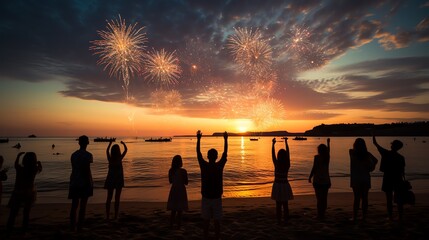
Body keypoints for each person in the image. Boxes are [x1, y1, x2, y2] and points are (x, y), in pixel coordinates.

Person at [196, 130, 228, 240]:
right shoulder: (219, 166)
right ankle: (217, 237)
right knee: (217, 221)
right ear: (216, 156)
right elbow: (225, 154)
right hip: (216, 198)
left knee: (206, 221)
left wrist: (198, 139)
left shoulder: (204, 166)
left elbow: (198, 154)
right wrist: (226, 140)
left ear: (208, 156)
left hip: (207, 197)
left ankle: (206, 236)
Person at [7, 152, 42, 232]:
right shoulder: (34, 169)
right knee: (26, 213)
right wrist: (39, 163)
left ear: (24, 160)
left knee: (13, 213)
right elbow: (40, 168)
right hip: (29, 193)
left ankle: (9, 230)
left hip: (18, 192)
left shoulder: (20, 169)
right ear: (34, 160)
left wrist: (18, 156)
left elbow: (15, 164)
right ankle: (24, 230)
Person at [373, 135, 405, 220]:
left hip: (388, 178)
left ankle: (390, 216)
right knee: (399, 199)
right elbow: (402, 171)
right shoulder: (401, 157)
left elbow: (375, 144)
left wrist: (373, 134)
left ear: (392, 146)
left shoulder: (386, 153)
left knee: (389, 199)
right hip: (398, 179)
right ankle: (400, 216)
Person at [349, 138, 378, 222]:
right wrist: (371, 167)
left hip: (356, 179)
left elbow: (352, 151)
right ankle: (364, 217)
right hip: (365, 178)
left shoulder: (352, 152)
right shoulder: (367, 154)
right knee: (365, 198)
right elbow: (376, 160)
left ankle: (354, 217)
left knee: (357, 198)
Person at [69, 135, 93, 231]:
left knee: (74, 205)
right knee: (83, 206)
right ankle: (80, 227)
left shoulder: (73, 155)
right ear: (87, 143)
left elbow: (74, 169)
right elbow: (87, 170)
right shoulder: (88, 155)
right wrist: (89, 182)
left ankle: (72, 226)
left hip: (74, 181)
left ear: (79, 143)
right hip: (84, 182)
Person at [271, 137, 294, 224]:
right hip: (285, 185)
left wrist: (273, 144)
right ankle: (286, 219)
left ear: (278, 156)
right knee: (285, 204)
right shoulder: (287, 164)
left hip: (277, 185)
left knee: (278, 205)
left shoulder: (276, 164)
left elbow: (272, 155)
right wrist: (286, 142)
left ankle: (279, 220)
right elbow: (289, 154)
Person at [104, 140, 127, 220]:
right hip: (118, 180)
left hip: (110, 179)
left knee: (109, 198)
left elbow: (107, 151)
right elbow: (126, 150)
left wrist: (109, 143)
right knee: (117, 198)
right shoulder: (119, 159)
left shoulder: (110, 159)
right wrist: (123, 144)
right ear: (118, 151)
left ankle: (107, 216)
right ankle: (116, 216)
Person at [308, 138, 331, 219]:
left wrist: (310, 176)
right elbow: (329, 151)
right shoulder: (327, 158)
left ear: (319, 150)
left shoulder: (317, 157)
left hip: (317, 181)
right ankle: (323, 214)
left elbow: (314, 168)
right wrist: (328, 143)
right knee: (324, 198)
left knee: (319, 199)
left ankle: (319, 214)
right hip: (326, 181)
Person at [167, 155, 188, 229]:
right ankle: (179, 225)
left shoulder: (171, 170)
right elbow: (186, 182)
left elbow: (170, 181)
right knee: (179, 210)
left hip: (174, 190)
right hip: (181, 190)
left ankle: (171, 225)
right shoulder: (183, 171)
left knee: (173, 209)